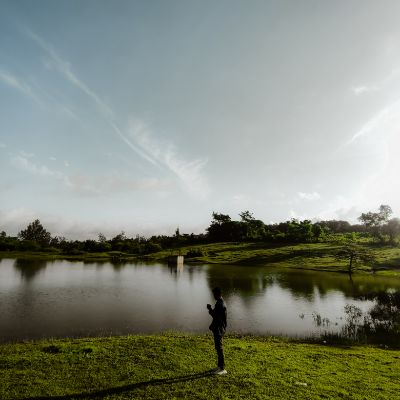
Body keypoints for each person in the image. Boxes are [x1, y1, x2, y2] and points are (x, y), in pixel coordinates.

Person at [207, 287, 227, 375]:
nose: (214, 296)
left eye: (214, 294)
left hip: (219, 329)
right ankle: (219, 366)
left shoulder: (220, 304)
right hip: (219, 328)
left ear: (218, 294)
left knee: (219, 348)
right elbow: (217, 315)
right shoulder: (220, 302)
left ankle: (222, 368)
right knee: (218, 347)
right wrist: (211, 310)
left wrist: (210, 309)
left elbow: (216, 317)